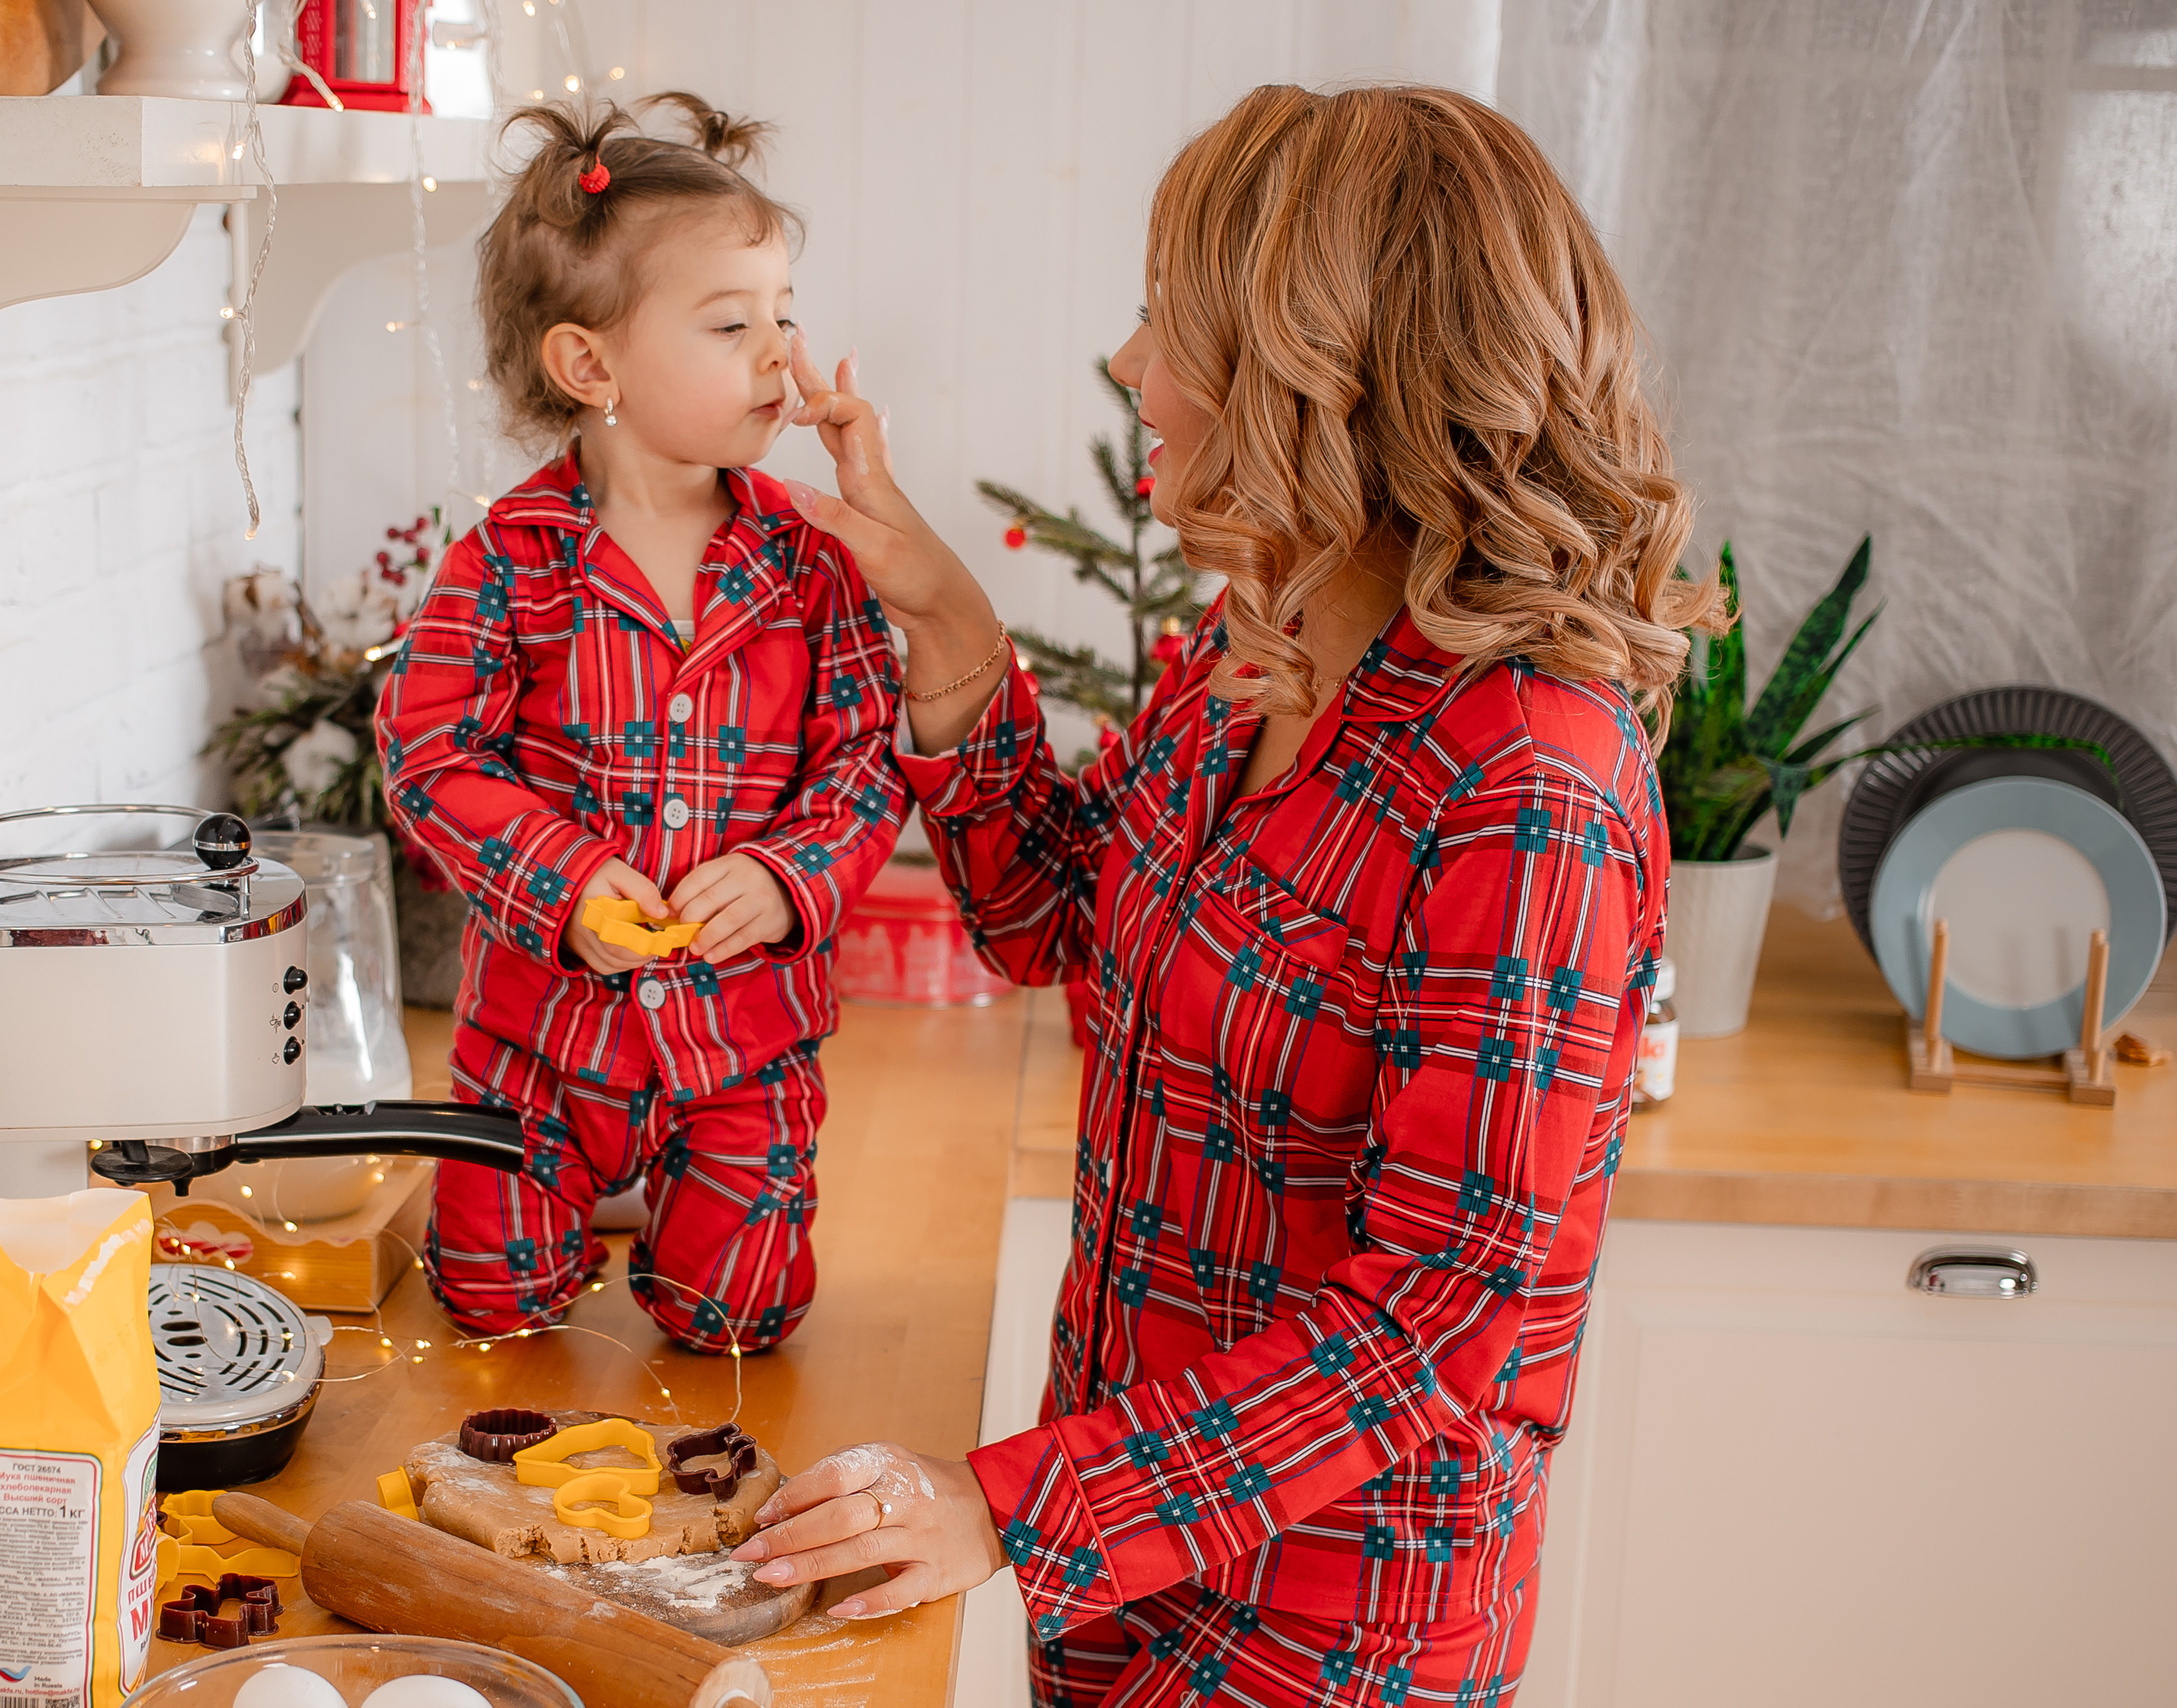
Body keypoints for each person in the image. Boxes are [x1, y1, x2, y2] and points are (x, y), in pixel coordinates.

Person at [731, 84, 1721, 1702]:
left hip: (1328, 1638)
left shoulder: (1530, 770)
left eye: (1168, 320)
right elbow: (1054, 914)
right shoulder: (1263, 643)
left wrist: (1017, 1503)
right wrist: (951, 626)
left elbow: (1432, 1316)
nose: (1132, 367)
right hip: (1123, 1590)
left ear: (1322, 370)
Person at [374, 94, 905, 1355]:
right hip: (540, 1038)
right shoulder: (507, 561)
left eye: (783, 315)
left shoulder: (808, 558)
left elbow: (867, 757)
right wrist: (559, 880)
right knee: (490, 1301)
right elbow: (430, 753)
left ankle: (690, 1239)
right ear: (590, 367)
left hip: (742, 1038)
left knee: (741, 1319)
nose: (779, 356)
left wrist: (786, 880)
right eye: (731, 325)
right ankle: (550, 1232)